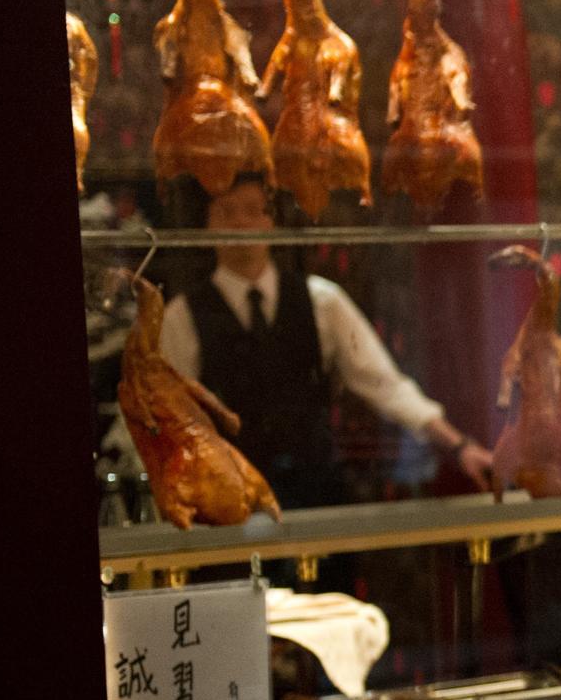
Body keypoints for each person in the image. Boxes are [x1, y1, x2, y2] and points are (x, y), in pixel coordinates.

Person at [153, 172, 492, 508]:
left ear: (272, 222)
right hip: (230, 502)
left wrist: (459, 446)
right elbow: (169, 415)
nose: (241, 223)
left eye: (254, 210)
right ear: (207, 224)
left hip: (317, 495)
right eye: (227, 212)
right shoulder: (181, 317)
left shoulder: (323, 301)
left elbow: (385, 385)